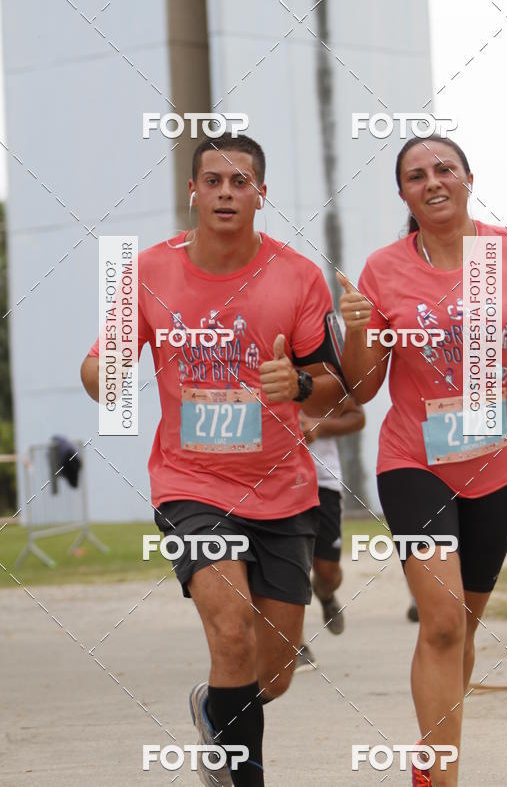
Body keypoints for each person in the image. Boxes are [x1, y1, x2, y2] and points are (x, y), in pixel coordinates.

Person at [80, 133, 346, 787]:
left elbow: (334, 385)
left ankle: (213, 708)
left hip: (284, 490)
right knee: (231, 632)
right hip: (190, 483)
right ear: (193, 191)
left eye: (240, 181)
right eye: (214, 181)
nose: (226, 192)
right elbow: (99, 366)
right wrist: (107, 376)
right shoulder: (150, 270)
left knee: (272, 675)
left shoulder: (297, 275)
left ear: (261, 194)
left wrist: (300, 385)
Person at [335, 134, 507, 787]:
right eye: (416, 175)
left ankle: (433, 755)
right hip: (414, 462)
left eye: (444, 168)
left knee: (463, 631)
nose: (432, 181)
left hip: (498, 468)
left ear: (468, 179)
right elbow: (362, 388)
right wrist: (359, 330)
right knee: (443, 622)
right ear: (404, 195)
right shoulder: (383, 270)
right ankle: (438, 779)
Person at [294, 395, 366, 670]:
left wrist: (319, 425)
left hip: (323, 479)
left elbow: (357, 416)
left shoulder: (325, 372)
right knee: (291, 563)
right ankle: (296, 643)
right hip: (278, 481)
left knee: (328, 572)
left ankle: (325, 593)